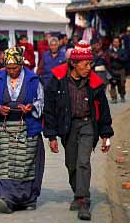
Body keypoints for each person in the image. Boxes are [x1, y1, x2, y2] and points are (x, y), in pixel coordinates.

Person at [43, 41, 114, 221]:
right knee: (71, 164)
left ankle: (83, 199)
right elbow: (49, 109)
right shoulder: (57, 80)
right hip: (68, 127)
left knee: (83, 162)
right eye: (85, 64)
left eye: (90, 64)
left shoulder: (95, 83)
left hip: (87, 125)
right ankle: (78, 193)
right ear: (74, 64)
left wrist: (106, 135)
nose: (89, 68)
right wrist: (51, 136)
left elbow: (103, 110)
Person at [0, 46, 44, 213]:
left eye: (15, 68)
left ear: (21, 65)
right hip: (6, 127)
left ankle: (27, 199)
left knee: (24, 164)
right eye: (9, 68)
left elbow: (41, 100)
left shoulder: (33, 79)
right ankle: (6, 198)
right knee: (6, 163)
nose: (12, 71)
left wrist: (31, 107)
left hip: (27, 127)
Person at [108, 37, 128, 103]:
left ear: (119, 43)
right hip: (112, 70)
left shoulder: (123, 50)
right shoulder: (109, 51)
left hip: (121, 70)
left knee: (122, 84)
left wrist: (118, 57)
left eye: (117, 42)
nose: (115, 43)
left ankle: (122, 96)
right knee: (112, 84)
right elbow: (106, 60)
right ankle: (114, 98)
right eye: (114, 42)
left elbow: (125, 59)